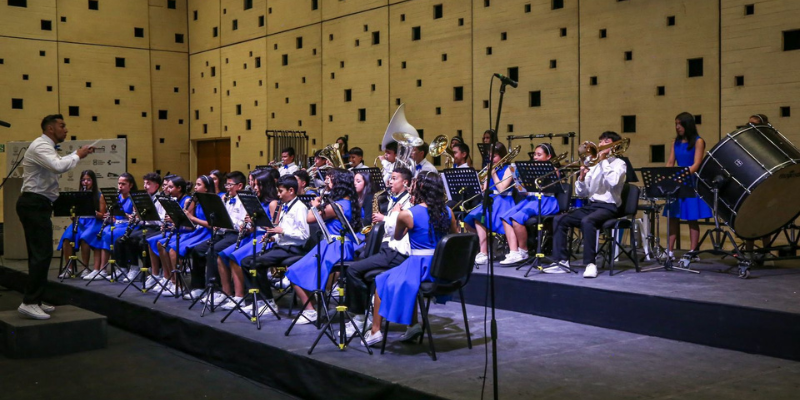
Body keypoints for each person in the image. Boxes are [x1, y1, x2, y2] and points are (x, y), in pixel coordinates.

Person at [362, 171, 458, 346]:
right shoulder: (448, 212)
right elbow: (455, 237)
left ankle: (375, 331)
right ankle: (413, 325)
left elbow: (397, 237)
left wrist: (397, 214)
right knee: (405, 279)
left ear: (420, 187)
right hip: (441, 269)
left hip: (418, 267)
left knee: (380, 280)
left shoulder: (408, 214)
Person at [17, 114, 93, 319]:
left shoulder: (47, 147)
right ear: (50, 129)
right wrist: (78, 155)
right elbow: (58, 166)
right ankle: (29, 302)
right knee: (41, 254)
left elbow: (58, 164)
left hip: (38, 204)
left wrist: (76, 156)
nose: (66, 129)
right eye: (62, 126)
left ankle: (36, 299)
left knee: (41, 254)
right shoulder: (41, 146)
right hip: (33, 203)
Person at [545, 131, 627, 278]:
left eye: (606, 141)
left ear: (615, 145)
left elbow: (614, 182)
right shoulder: (594, 164)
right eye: (601, 141)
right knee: (559, 219)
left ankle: (590, 264)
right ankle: (561, 262)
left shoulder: (620, 164)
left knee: (587, 221)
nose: (601, 144)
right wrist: (581, 177)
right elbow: (582, 193)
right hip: (592, 205)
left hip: (609, 207)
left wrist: (603, 162)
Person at [344, 167, 413, 336]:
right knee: (361, 268)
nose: (390, 181)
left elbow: (397, 232)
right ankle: (365, 314)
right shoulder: (393, 200)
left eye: (394, 178)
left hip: (395, 251)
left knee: (353, 270)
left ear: (405, 182)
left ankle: (360, 318)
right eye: (390, 178)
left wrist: (387, 218)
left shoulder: (408, 202)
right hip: (387, 249)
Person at [285, 168, 357, 324]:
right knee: (295, 270)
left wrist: (315, 205)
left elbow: (310, 219)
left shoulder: (338, 205)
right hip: (331, 244)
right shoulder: (342, 202)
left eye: (330, 178)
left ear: (339, 182)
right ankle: (313, 307)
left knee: (294, 270)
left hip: (336, 246)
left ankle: (310, 310)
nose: (326, 181)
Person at [239, 175, 311, 316]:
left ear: (291, 190)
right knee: (246, 261)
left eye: (281, 191)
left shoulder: (300, 208)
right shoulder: (285, 206)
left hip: (293, 250)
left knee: (255, 263)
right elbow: (284, 231)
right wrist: (273, 237)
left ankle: (268, 302)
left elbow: (304, 235)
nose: (278, 195)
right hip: (282, 247)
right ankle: (258, 300)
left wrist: (281, 231)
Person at [216, 170, 279, 309]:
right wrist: (249, 225)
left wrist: (257, 221)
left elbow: (275, 227)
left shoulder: (273, 203)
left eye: (258, 185)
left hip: (265, 239)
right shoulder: (257, 201)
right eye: (254, 184)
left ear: (266, 185)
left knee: (238, 258)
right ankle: (237, 296)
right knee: (224, 255)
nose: (254, 188)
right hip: (253, 235)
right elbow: (254, 227)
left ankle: (248, 298)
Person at [190, 171, 248, 305]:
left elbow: (240, 225)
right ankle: (199, 287)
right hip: (223, 233)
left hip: (235, 234)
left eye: (230, 185)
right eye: (226, 185)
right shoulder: (226, 199)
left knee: (213, 251)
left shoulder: (244, 201)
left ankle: (219, 291)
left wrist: (225, 223)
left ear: (239, 186)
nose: (227, 188)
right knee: (198, 249)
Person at [499, 143, 561, 265]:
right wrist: (518, 182)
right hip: (532, 199)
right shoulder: (531, 169)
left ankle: (523, 251)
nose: (535, 157)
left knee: (517, 218)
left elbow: (548, 189)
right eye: (535, 154)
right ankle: (514, 252)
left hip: (546, 201)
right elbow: (525, 193)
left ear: (548, 156)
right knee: (505, 217)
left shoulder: (554, 170)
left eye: (539, 154)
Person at [665, 112, 712, 258]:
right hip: (677, 182)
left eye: (680, 124)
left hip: (690, 182)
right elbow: (671, 162)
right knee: (673, 216)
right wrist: (667, 177)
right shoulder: (675, 142)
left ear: (688, 125)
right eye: (676, 124)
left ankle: (692, 251)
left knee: (692, 218)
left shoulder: (698, 141)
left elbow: (697, 164)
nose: (678, 127)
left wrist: (681, 176)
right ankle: (670, 251)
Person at [465, 142, 516, 264]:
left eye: (494, 156)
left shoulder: (510, 168)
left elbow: (502, 188)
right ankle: (487, 245)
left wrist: (493, 173)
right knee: (470, 220)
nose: (491, 159)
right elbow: (485, 188)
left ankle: (484, 251)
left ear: (502, 156)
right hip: (491, 199)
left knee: (479, 217)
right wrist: (484, 180)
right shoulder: (491, 168)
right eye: (489, 156)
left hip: (504, 200)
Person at [85, 173, 138, 282]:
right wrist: (109, 217)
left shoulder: (134, 198)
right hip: (117, 224)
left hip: (128, 225)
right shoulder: (116, 198)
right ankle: (102, 269)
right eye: (119, 184)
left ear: (130, 185)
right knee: (105, 231)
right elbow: (114, 216)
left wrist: (126, 216)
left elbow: (135, 218)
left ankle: (121, 268)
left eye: (123, 184)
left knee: (112, 233)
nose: (120, 186)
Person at [57, 170, 106, 279]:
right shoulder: (77, 196)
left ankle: (85, 268)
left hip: (94, 222)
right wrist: (73, 215)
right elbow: (73, 212)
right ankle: (69, 268)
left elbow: (102, 215)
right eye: (83, 180)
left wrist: (91, 211)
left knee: (85, 238)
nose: (85, 182)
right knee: (67, 238)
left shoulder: (99, 196)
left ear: (93, 181)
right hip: (80, 222)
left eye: (88, 180)